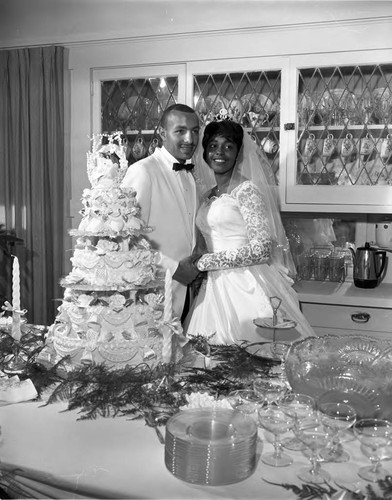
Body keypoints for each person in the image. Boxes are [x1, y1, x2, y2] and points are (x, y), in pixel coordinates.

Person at [184, 119, 314, 345]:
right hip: (213, 286)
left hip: (246, 284)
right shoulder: (207, 195)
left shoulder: (247, 191)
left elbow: (261, 250)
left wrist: (206, 262)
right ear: (205, 152)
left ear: (238, 153)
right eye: (213, 146)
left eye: (228, 146)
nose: (219, 152)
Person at [121, 104, 203, 320]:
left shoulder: (189, 175)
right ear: (162, 133)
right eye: (180, 131)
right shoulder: (143, 171)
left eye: (195, 131)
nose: (190, 139)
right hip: (153, 292)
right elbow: (126, 240)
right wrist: (174, 268)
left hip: (186, 292)